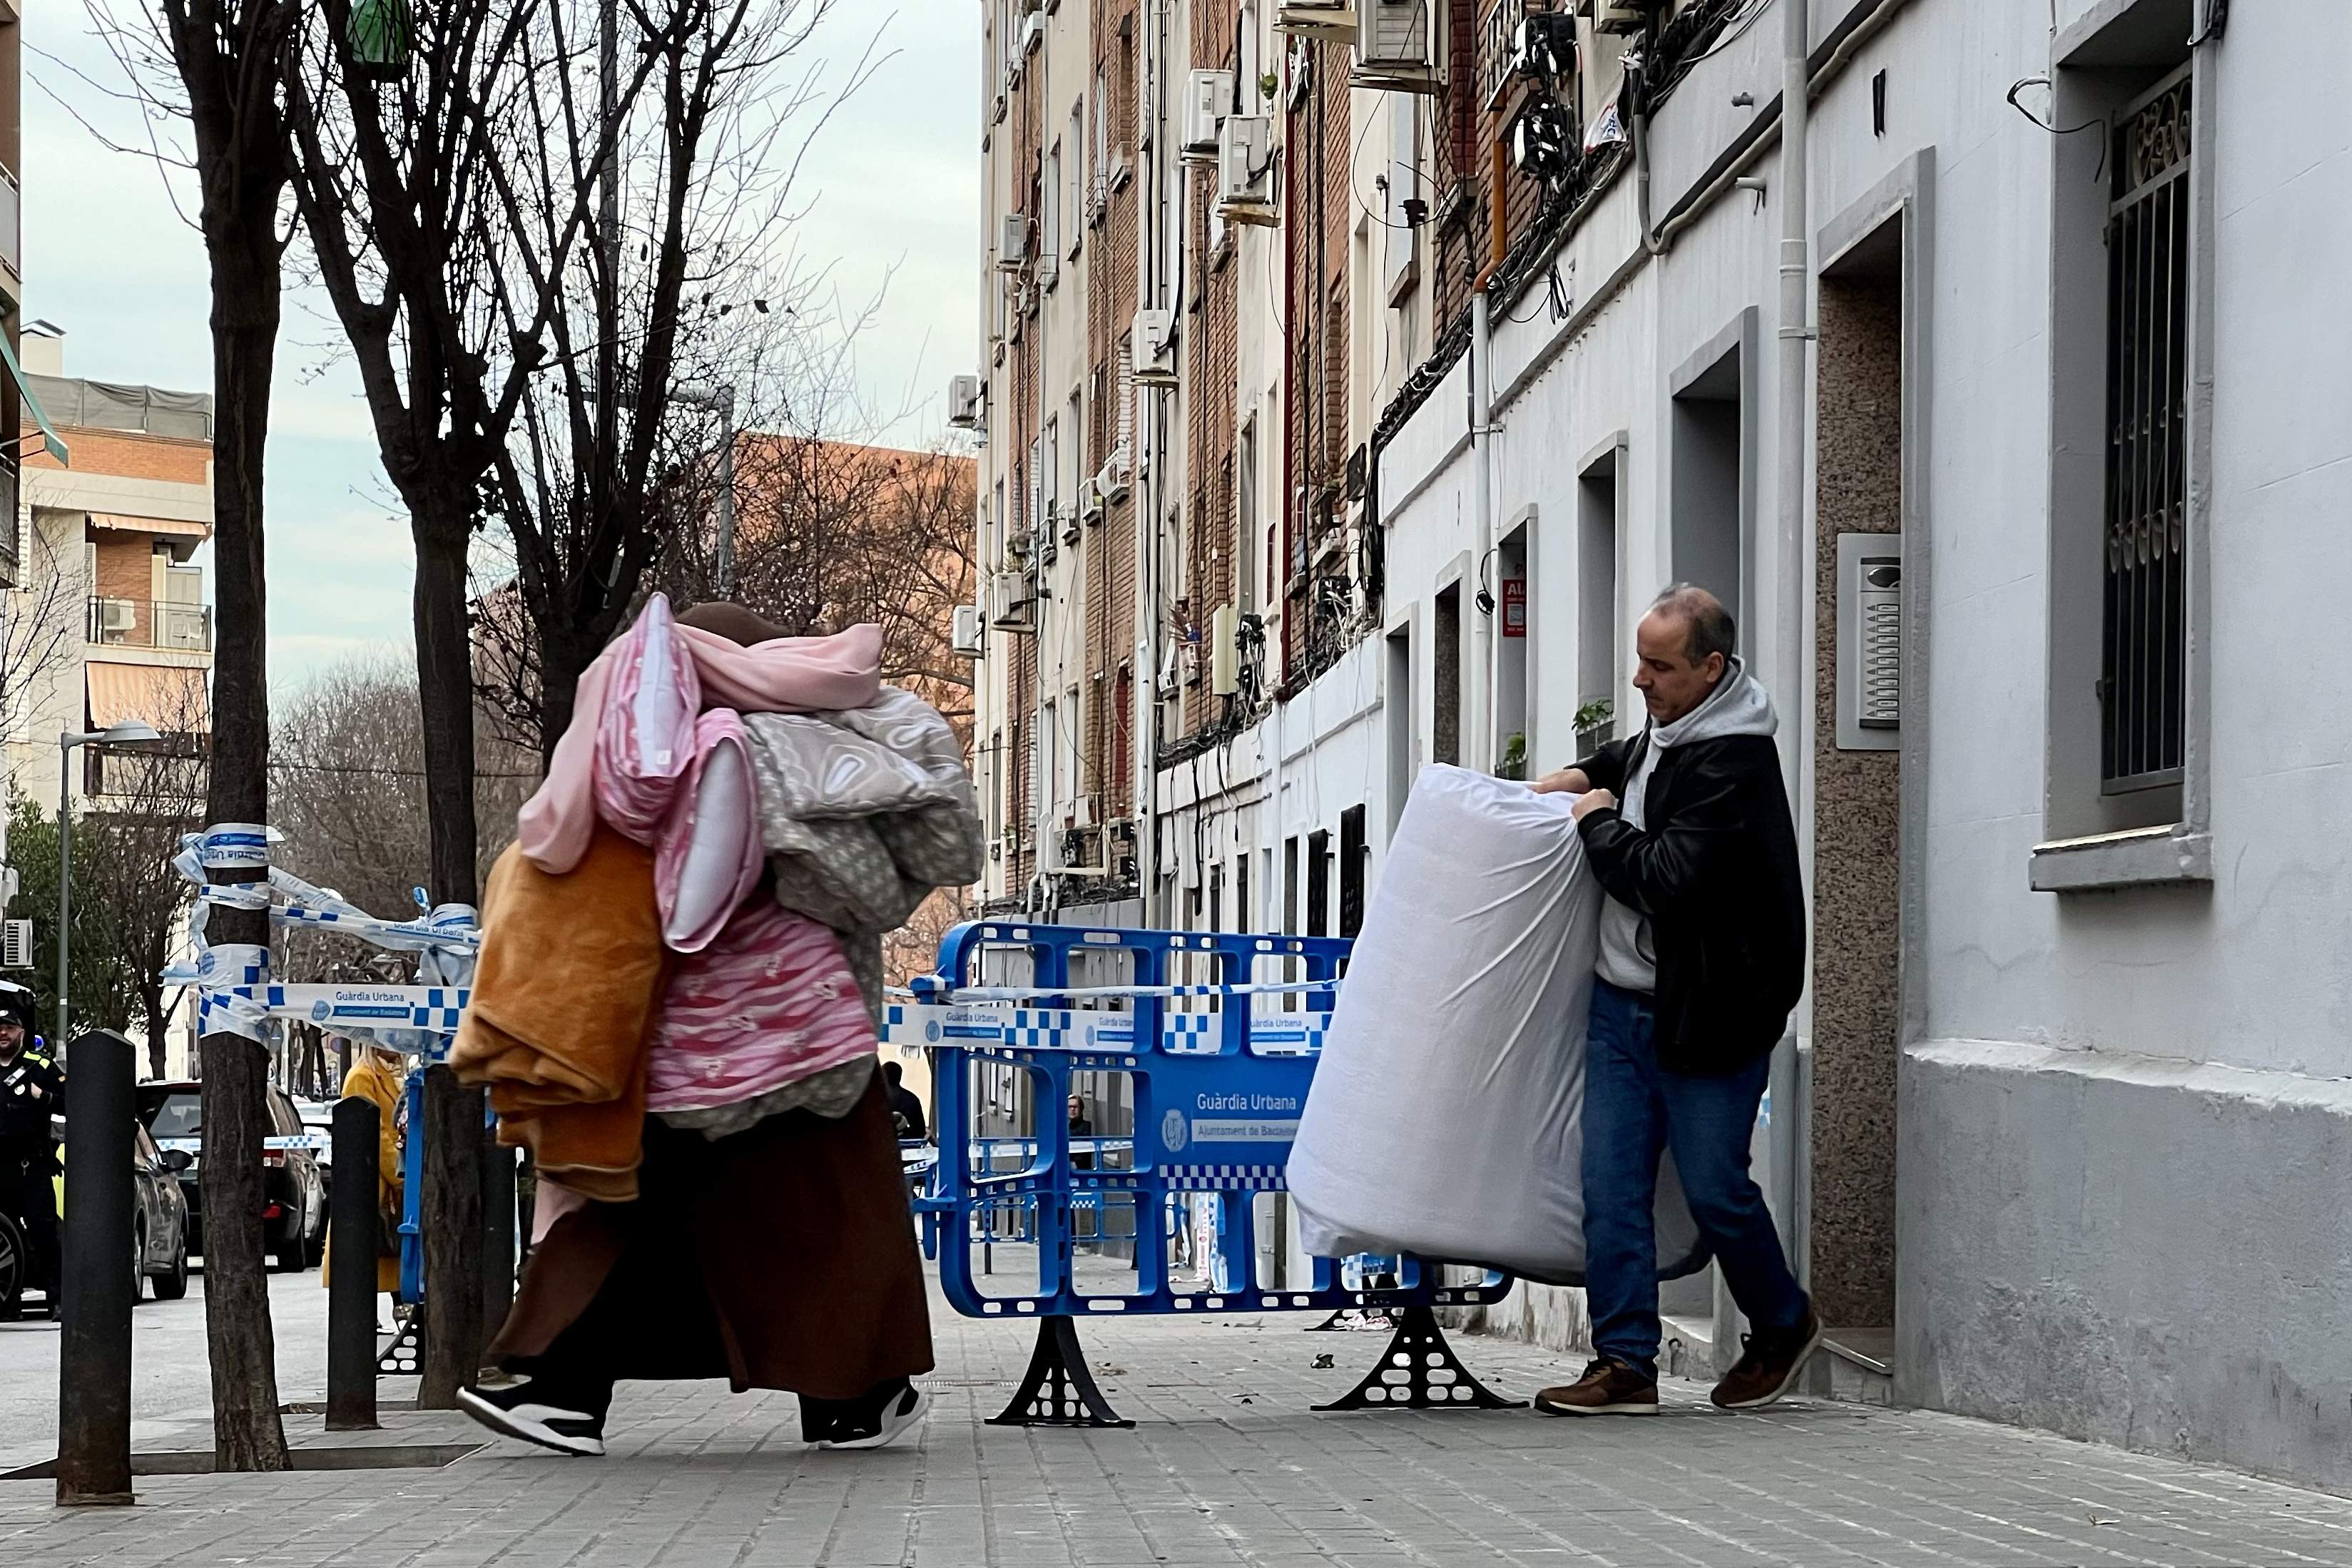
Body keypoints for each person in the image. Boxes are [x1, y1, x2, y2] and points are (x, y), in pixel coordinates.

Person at [1529, 584, 1815, 1416]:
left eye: (1659, 666)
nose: (1641, 680)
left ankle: (1784, 1319)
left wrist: (1591, 821)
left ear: (1711, 667)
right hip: (1622, 1004)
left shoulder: (1736, 762)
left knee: (1715, 1186)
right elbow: (1640, 756)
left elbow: (1660, 876)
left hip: (1714, 1015)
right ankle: (1624, 1365)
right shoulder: (1677, 725)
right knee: (1609, 1185)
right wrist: (1586, 772)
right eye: (1640, 661)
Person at [321, 1039, 406, 1310]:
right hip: (373, 1181)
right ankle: (380, 1311)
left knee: (389, 1248)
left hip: (383, 1179)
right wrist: (398, 1172)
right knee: (371, 1247)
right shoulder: (362, 1076)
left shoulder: (392, 1075)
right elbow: (375, 1132)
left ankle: (396, 1307)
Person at [0, 988, 63, 1317]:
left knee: (42, 1232)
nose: (3, 1034)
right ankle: (9, 1301)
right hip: (0, 1166)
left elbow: (69, 1101)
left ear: (21, 1032)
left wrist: (43, 1096)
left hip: (31, 1165)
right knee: (4, 1238)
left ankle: (57, 1297)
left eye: (9, 1028)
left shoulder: (39, 1066)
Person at [882, 1062, 927, 1142]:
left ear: (882, 1077)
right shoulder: (912, 1099)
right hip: (909, 1149)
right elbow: (920, 1132)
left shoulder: (873, 1101)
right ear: (900, 1077)